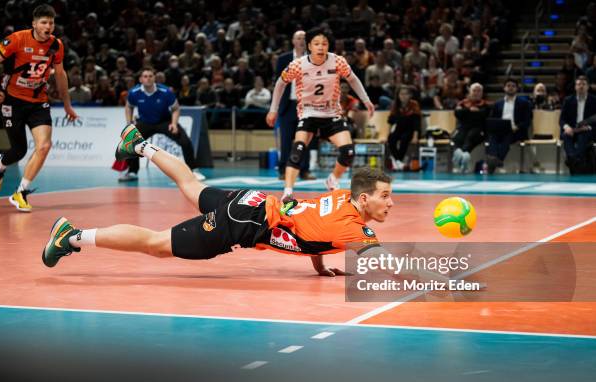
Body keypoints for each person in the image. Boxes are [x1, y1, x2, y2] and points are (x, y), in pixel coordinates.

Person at [42, 124, 392, 277]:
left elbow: (315, 228)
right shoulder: (354, 230)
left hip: (252, 201)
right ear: (364, 199)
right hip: (244, 223)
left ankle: (138, 144)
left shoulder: (342, 198)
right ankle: (72, 236)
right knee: (156, 244)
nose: (390, 204)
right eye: (386, 197)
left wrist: (318, 265)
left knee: (191, 184)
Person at [0, 4, 78, 211]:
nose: (48, 26)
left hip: (38, 102)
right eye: (44, 22)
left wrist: (67, 104)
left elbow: (61, 75)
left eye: (51, 23)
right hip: (13, 101)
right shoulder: (17, 40)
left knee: (44, 146)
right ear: (34, 24)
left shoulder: (56, 45)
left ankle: (21, 192)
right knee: (19, 151)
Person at [267, 28, 375, 201]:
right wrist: (273, 109)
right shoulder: (298, 64)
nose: (320, 47)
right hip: (308, 113)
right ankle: (287, 192)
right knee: (297, 150)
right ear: (309, 46)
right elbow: (280, 84)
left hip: (331, 113)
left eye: (324, 44)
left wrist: (366, 100)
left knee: (348, 152)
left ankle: (333, 179)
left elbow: (353, 79)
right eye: (316, 44)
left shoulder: (337, 61)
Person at [121, 68, 204, 182]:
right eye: (145, 76)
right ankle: (132, 172)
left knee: (185, 141)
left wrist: (174, 124)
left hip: (164, 121)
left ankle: (194, 170)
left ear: (154, 78)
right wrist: (129, 122)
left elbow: (175, 108)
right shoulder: (134, 93)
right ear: (141, 79)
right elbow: (129, 106)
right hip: (145, 122)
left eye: (150, 76)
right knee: (131, 141)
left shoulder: (165, 91)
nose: (148, 78)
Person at [275, 30, 316, 181]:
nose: (301, 40)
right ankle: (283, 170)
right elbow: (278, 84)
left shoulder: (314, 59)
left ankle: (304, 170)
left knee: (304, 139)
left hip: (306, 106)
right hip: (287, 105)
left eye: (304, 38)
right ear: (293, 41)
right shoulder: (283, 59)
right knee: (286, 140)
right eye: (298, 38)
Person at [486, 78, 532, 174]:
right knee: (492, 136)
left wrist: (517, 127)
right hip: (499, 130)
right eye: (508, 86)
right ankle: (496, 159)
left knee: (508, 134)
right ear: (504, 88)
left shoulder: (524, 103)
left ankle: (494, 160)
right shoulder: (498, 103)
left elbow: (527, 121)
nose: (510, 88)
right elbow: (492, 118)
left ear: (517, 88)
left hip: (516, 131)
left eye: (513, 86)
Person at [560, 76, 596, 174]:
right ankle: (575, 159)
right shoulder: (568, 100)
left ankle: (572, 160)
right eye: (578, 84)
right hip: (572, 129)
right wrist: (566, 127)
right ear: (575, 87)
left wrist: (588, 127)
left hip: (588, 130)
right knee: (565, 135)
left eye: (583, 84)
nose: (581, 86)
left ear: (588, 87)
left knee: (583, 136)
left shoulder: (594, 100)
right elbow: (562, 119)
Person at [452, 83, 489, 173]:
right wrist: (469, 110)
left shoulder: (486, 104)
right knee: (457, 137)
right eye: (474, 91)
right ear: (470, 92)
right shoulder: (463, 103)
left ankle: (461, 156)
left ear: (482, 93)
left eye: (479, 91)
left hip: (479, 130)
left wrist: (467, 113)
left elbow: (483, 115)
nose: (476, 93)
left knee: (471, 136)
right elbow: (457, 114)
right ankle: (464, 158)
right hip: (463, 128)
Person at [387, 85, 422, 171]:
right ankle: (399, 162)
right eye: (401, 94)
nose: (403, 96)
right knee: (391, 138)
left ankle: (397, 161)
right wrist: (387, 134)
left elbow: (416, 122)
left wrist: (415, 137)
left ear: (410, 95)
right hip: (399, 129)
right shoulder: (395, 105)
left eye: (406, 94)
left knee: (404, 139)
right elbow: (391, 122)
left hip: (411, 130)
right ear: (398, 95)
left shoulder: (414, 104)